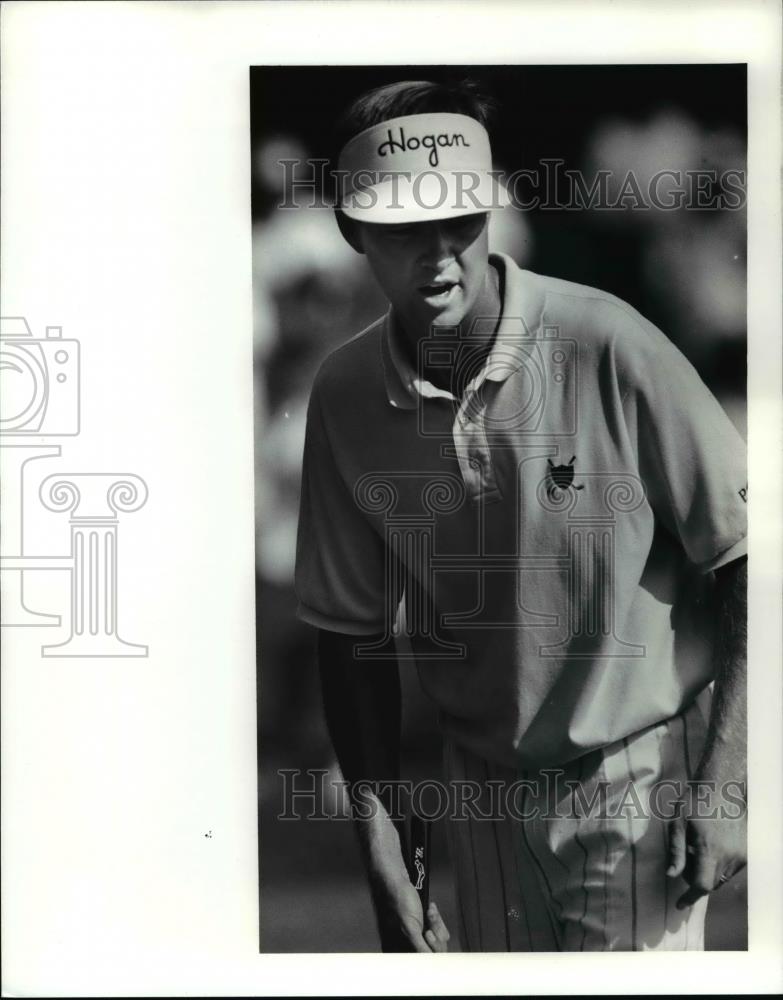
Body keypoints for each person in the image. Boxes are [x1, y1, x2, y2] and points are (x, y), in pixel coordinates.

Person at [294, 79, 747, 952]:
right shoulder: (343, 394)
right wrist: (381, 849)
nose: (437, 256)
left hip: (638, 774)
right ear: (352, 232)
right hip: (481, 790)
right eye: (399, 228)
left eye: (458, 221)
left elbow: (747, 556)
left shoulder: (607, 340)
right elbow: (350, 638)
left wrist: (729, 780)